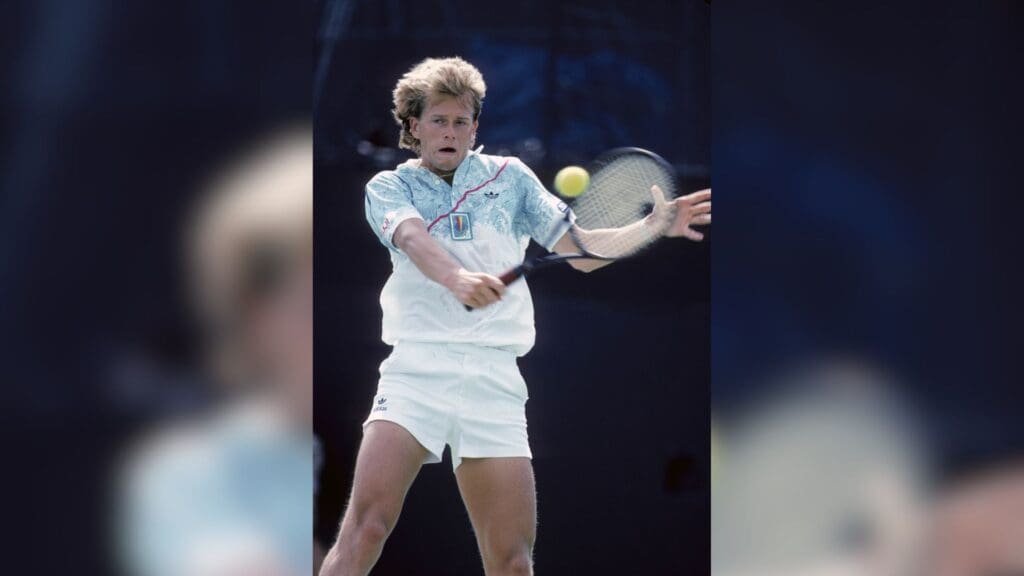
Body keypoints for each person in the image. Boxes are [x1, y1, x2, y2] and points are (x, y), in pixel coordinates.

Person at [319, 57, 710, 576]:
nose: (451, 131)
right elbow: (413, 239)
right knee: (365, 529)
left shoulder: (512, 179)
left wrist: (653, 227)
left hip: (494, 378)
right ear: (413, 126)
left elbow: (584, 251)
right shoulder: (390, 188)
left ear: (476, 127)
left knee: (512, 562)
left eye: (462, 121)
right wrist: (457, 279)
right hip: (416, 371)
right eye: (438, 120)